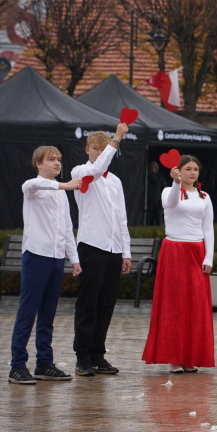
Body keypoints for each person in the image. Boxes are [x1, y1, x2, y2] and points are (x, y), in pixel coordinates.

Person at [8, 147, 84, 384]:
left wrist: (74, 259)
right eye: (51, 159)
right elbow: (30, 184)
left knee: (48, 313)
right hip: (36, 256)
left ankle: (44, 363)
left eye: (59, 159)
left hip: (56, 258)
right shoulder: (33, 187)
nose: (57, 163)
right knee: (28, 311)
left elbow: (67, 229)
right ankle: (17, 365)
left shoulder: (61, 194)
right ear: (38, 164)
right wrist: (65, 185)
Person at [142, 155, 215, 373]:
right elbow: (170, 203)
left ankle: (190, 356)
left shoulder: (205, 197)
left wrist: (209, 257)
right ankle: (174, 357)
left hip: (196, 251)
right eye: (188, 169)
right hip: (174, 250)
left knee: (195, 306)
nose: (192, 173)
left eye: (195, 169)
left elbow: (208, 228)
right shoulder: (169, 191)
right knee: (174, 305)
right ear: (179, 171)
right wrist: (175, 183)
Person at [70, 124, 130, 377]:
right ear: (87, 149)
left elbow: (121, 218)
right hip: (91, 246)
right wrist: (116, 139)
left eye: (103, 149)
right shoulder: (80, 172)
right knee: (88, 304)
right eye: (96, 148)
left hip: (113, 249)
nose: (99, 153)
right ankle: (82, 355)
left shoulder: (115, 181)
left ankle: (97, 354)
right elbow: (95, 170)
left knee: (106, 304)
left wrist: (126, 251)